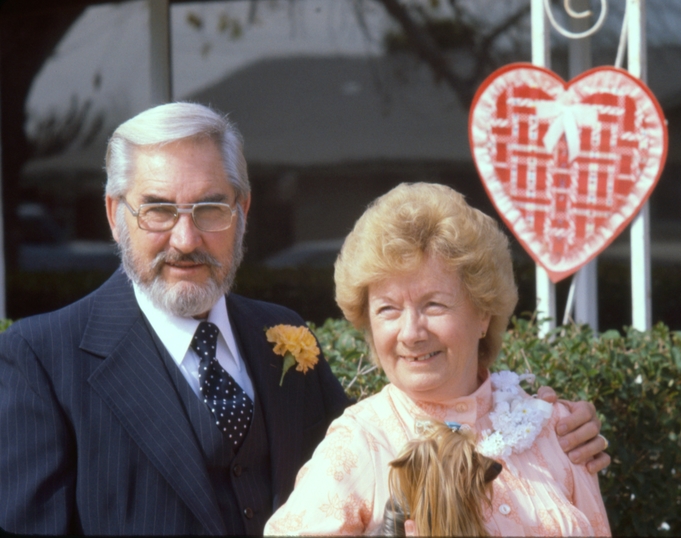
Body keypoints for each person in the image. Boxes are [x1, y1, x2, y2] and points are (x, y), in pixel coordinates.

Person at [0, 103, 605, 536]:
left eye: (210, 207)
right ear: (114, 213)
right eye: (158, 210)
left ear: (242, 210)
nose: (185, 238)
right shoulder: (39, 359)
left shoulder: (282, 336)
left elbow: (401, 423)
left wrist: (545, 419)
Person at [264, 183, 611, 536]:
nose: (411, 332)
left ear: (483, 315)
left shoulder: (557, 430)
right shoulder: (359, 442)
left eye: (434, 305)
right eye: (388, 309)